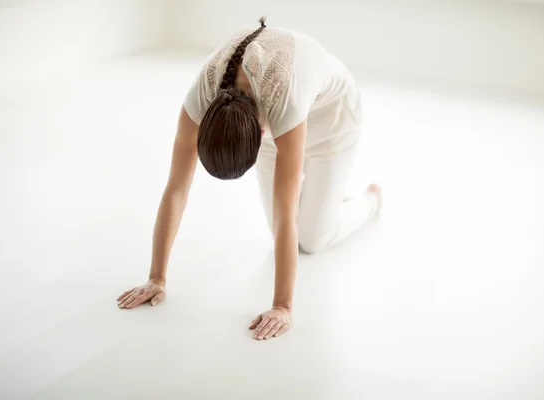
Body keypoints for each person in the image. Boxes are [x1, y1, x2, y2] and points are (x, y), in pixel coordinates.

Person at [116, 17, 382, 340]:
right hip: (271, 130)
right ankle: (325, 200)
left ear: (258, 132)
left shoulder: (284, 100)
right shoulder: (201, 95)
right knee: (283, 236)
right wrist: (156, 277)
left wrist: (282, 306)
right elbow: (176, 189)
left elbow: (287, 215)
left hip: (332, 122)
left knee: (311, 239)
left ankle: (369, 201)